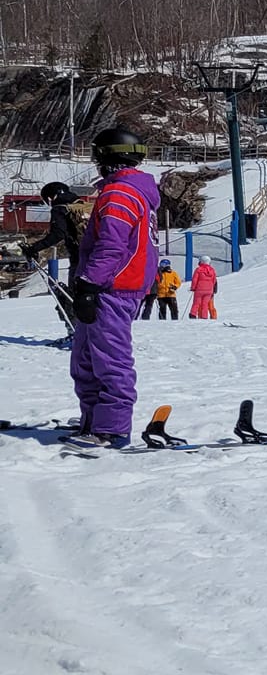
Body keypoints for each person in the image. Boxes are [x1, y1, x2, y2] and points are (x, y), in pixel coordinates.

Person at [64, 128, 161, 448]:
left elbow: (112, 246)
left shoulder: (121, 192)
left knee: (109, 359)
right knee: (85, 358)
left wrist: (90, 282)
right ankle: (94, 421)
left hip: (113, 287)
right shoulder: (126, 190)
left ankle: (113, 429)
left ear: (105, 156)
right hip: (110, 285)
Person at [29, 181, 86, 342]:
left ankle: (76, 335)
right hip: (97, 259)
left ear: (50, 197)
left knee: (71, 298)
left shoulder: (59, 208)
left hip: (78, 260)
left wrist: (34, 248)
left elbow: (57, 235)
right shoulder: (82, 205)